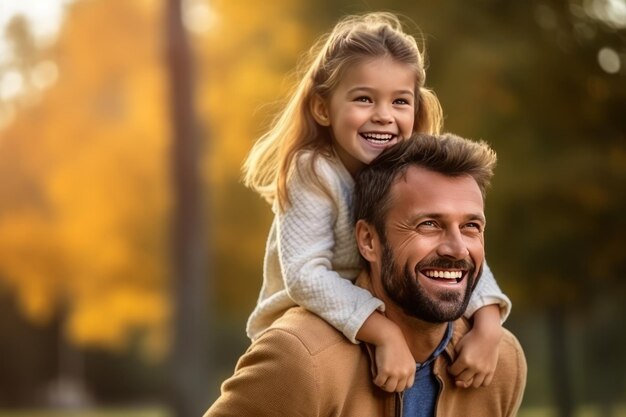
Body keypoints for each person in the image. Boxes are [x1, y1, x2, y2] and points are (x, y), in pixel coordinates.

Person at [242, 11, 511, 392]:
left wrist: (487, 324)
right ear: (323, 108)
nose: (384, 116)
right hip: (312, 328)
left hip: (386, 315)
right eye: (364, 99)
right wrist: (383, 332)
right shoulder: (314, 170)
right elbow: (305, 276)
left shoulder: (406, 174)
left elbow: (457, 249)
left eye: (400, 101)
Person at [205, 133, 527, 417]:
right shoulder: (301, 360)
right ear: (368, 241)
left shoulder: (501, 361)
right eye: (428, 224)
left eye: (471, 226)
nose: (457, 249)